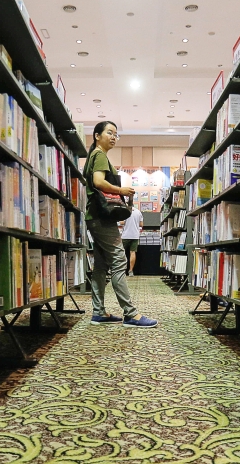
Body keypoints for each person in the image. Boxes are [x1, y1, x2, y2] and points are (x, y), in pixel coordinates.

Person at [84, 121, 157, 328]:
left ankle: (98, 312)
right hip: (102, 218)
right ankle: (131, 314)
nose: (114, 137)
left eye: (116, 134)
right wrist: (120, 190)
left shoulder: (94, 156)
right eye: (110, 132)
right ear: (97, 135)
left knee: (100, 266)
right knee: (118, 262)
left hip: (95, 217)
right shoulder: (99, 155)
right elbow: (98, 182)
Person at [121, 206, 143, 276]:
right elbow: (141, 224)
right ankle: (131, 271)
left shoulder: (125, 211)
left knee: (122, 252)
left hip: (125, 235)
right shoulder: (138, 212)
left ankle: (122, 270)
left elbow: (122, 222)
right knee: (133, 252)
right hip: (135, 235)